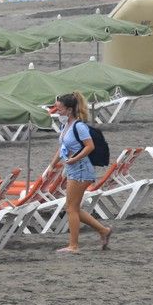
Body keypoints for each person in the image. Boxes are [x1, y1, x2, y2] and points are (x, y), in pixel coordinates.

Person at [52, 91, 111, 254]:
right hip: (73, 168)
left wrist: (75, 159)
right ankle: (103, 231)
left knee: (70, 208)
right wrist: (52, 165)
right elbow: (62, 147)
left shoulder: (79, 126)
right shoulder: (66, 126)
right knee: (74, 207)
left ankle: (74, 245)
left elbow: (89, 146)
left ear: (69, 110)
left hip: (81, 169)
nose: (57, 112)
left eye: (60, 109)